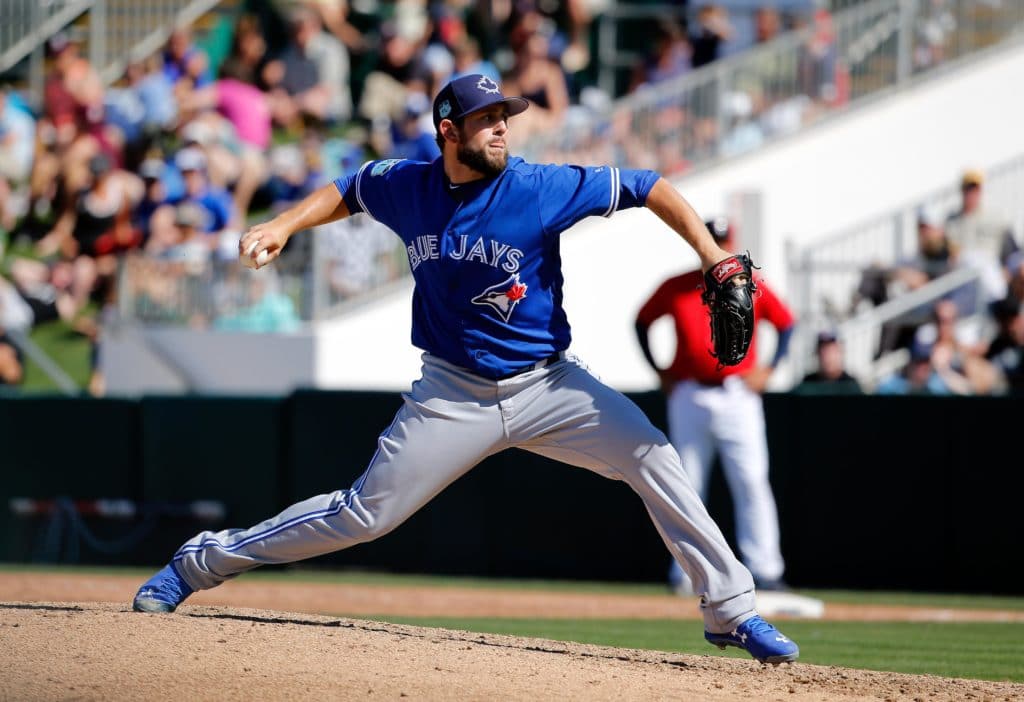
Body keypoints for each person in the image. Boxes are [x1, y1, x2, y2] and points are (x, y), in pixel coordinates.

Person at [130, 74, 800, 665]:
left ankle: (732, 610)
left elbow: (650, 187)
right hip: (452, 394)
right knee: (365, 515)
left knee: (653, 455)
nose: (502, 126)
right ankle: (198, 563)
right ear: (449, 132)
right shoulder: (410, 187)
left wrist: (713, 256)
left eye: (505, 114)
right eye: (486, 118)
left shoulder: (541, 186)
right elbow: (349, 189)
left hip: (549, 384)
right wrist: (282, 224)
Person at [634, 216, 795, 595]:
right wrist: (659, 371)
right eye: (711, 239)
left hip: (738, 393)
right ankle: (688, 574)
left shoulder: (750, 286)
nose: (716, 246)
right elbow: (641, 322)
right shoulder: (677, 286)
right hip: (689, 392)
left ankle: (766, 570)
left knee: (752, 481)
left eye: (722, 240)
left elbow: (787, 323)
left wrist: (770, 369)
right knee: (686, 482)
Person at [793, 331, 863, 395]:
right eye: (823, 351)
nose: (827, 356)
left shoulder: (851, 385)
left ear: (840, 352)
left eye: (831, 351)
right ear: (817, 353)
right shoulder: (807, 383)